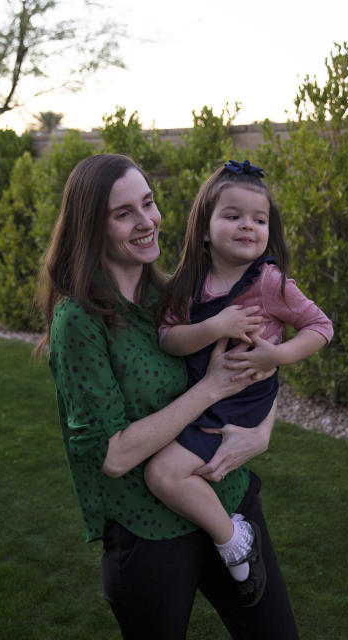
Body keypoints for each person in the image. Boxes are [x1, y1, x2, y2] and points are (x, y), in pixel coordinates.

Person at [36, 153, 299, 639]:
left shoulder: (177, 295)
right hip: (148, 531)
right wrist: (210, 388)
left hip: (226, 501)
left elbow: (262, 353)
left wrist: (260, 431)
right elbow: (112, 456)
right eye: (123, 213)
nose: (146, 222)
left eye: (149, 203)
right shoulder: (80, 321)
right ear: (91, 227)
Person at [145, 159, 333, 603]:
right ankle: (231, 535)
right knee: (163, 467)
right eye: (233, 216)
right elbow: (169, 339)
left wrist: (277, 354)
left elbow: (320, 327)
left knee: (162, 473)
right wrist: (216, 326)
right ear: (205, 229)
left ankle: (233, 542)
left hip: (237, 405)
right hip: (202, 395)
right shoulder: (188, 284)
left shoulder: (270, 282)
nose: (248, 225)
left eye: (259, 219)